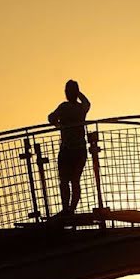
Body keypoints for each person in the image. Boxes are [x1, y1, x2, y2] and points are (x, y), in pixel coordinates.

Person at [48, 80, 91, 214]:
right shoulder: (80, 108)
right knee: (74, 181)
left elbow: (50, 117)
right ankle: (70, 209)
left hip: (68, 149)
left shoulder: (64, 107)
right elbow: (87, 103)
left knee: (66, 181)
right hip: (78, 149)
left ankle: (67, 209)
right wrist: (79, 94)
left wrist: (58, 125)